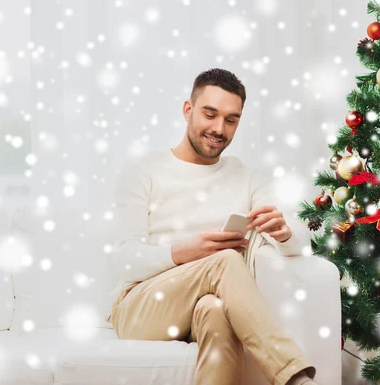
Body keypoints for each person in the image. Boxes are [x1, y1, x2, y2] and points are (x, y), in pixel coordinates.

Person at [105, 68, 318, 385]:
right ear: (188, 110)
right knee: (225, 260)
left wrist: (284, 233)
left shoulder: (246, 176)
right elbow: (124, 259)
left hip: (204, 306)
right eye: (210, 114)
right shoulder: (143, 171)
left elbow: (303, 245)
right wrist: (183, 252)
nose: (219, 129)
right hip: (141, 310)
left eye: (231, 120)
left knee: (216, 309)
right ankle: (296, 378)